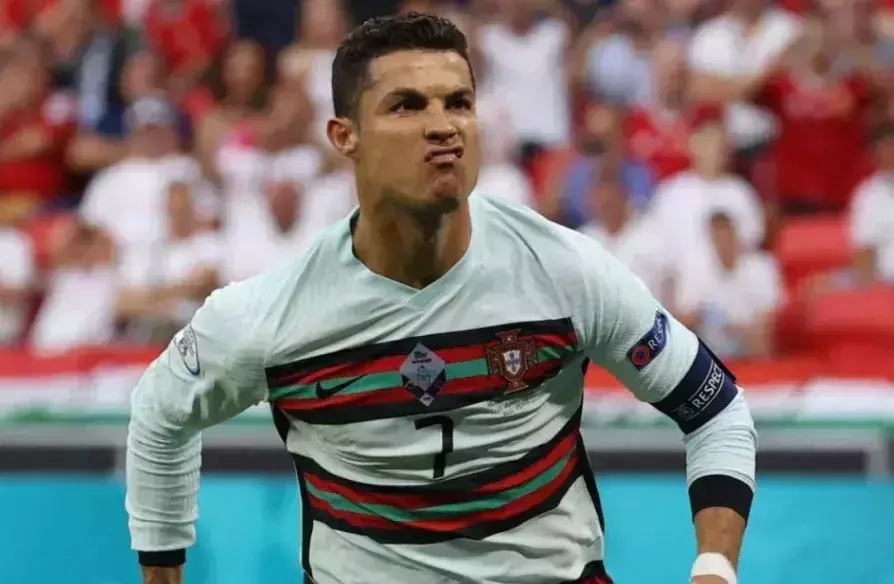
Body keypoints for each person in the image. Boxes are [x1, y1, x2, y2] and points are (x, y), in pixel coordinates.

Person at [126, 13, 756, 584]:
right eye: (406, 106)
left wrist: (714, 568)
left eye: (459, 103)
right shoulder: (269, 316)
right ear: (345, 136)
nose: (443, 126)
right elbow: (160, 416)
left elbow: (716, 408)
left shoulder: (565, 272)